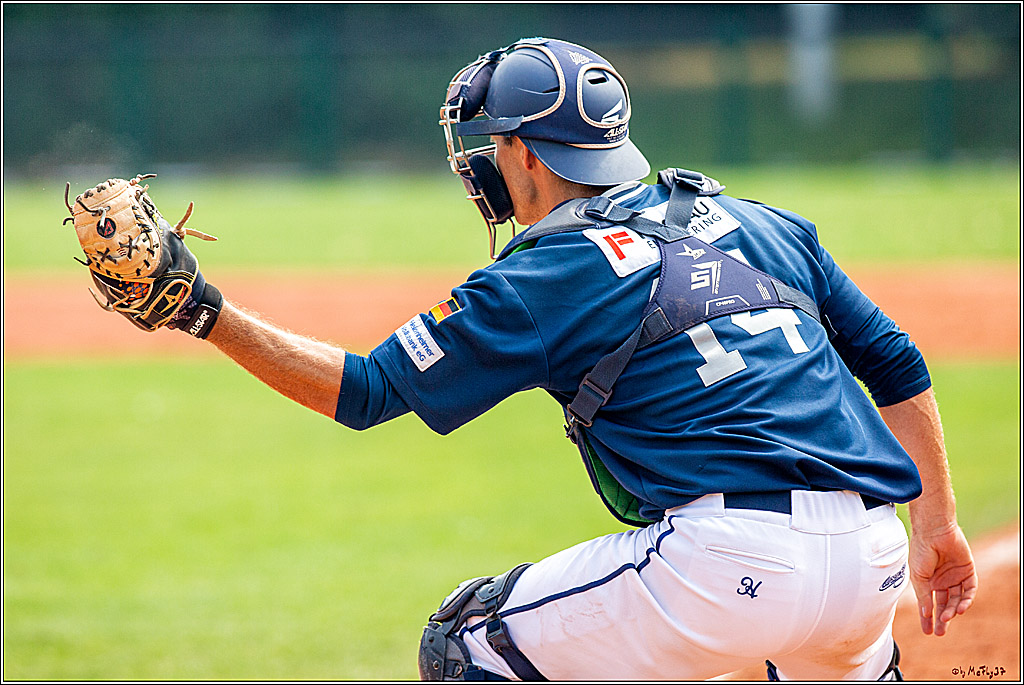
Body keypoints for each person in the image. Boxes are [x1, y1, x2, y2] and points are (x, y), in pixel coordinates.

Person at [162, 38, 976, 680]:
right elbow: (895, 360)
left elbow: (369, 389)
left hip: (723, 568)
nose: (483, 159)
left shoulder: (543, 274)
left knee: (465, 643)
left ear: (529, 157)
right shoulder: (766, 223)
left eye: (494, 143)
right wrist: (935, 521)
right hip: (873, 561)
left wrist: (201, 308)